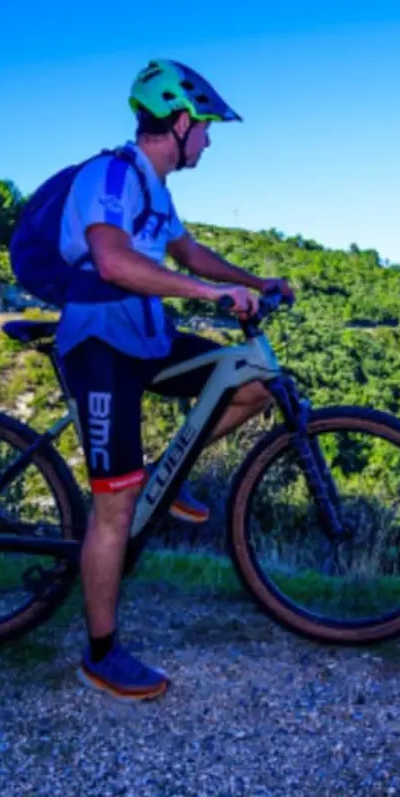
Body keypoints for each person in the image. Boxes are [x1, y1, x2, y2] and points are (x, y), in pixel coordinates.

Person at [57, 59, 294, 701]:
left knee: (251, 382)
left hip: (147, 337)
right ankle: (100, 654)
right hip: (101, 342)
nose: (210, 142)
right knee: (115, 507)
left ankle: (169, 475)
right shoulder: (109, 174)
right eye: (208, 128)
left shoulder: (156, 190)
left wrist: (252, 282)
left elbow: (188, 253)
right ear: (181, 122)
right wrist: (207, 293)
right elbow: (110, 260)